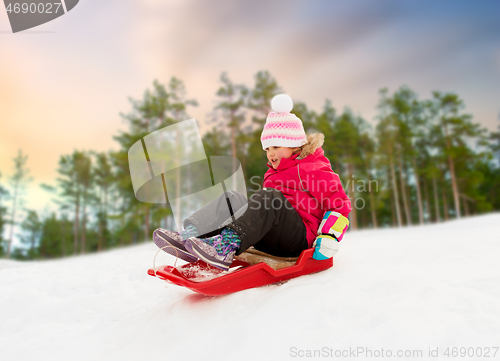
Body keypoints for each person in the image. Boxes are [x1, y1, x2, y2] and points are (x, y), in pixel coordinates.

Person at [153, 94, 351, 270]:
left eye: (275, 146)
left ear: (294, 145)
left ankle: (224, 247)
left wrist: (328, 236)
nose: (270, 153)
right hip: (272, 237)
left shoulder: (313, 167)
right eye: (266, 148)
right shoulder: (273, 173)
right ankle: (191, 235)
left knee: (270, 197)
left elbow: (340, 204)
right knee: (232, 199)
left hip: (299, 240)